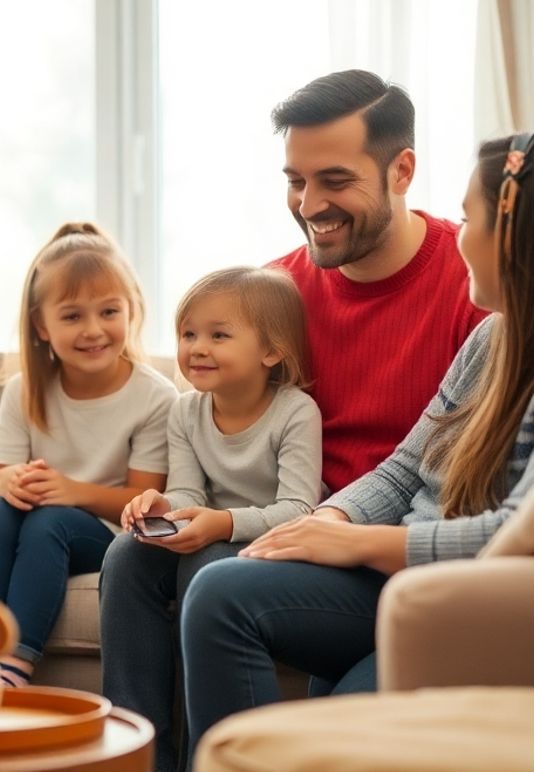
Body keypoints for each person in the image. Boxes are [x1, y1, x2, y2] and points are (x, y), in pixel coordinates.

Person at [180, 128, 534, 753]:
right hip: (391, 574)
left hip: (454, 597)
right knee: (217, 591)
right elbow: (406, 469)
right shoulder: (492, 339)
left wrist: (359, 542)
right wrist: (325, 521)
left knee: (338, 725)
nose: (457, 237)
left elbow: (517, 535)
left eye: (469, 218)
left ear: (520, 236)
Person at [101, 266, 322, 771]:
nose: (197, 347)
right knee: (127, 552)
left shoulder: (295, 413)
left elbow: (299, 510)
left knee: (207, 567)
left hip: (264, 545)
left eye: (218, 335)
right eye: (188, 334)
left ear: (271, 352)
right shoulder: (184, 411)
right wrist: (162, 507)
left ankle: (200, 758)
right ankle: (137, 756)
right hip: (205, 532)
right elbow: (185, 493)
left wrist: (221, 523)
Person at [0, 222, 177, 687]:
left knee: (51, 519)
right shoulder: (25, 389)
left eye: (109, 311)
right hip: (36, 525)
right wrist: (10, 481)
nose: (93, 330)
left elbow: (146, 498)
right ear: (42, 326)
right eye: (72, 316)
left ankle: (13, 667)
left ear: (132, 311)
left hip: (107, 536)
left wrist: (71, 491)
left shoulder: (154, 397)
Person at [271, 69, 487, 495]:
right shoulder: (272, 292)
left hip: (409, 531)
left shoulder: (481, 283)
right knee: (141, 549)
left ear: (401, 172)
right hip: (288, 520)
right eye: (296, 182)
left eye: (335, 181)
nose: (309, 205)